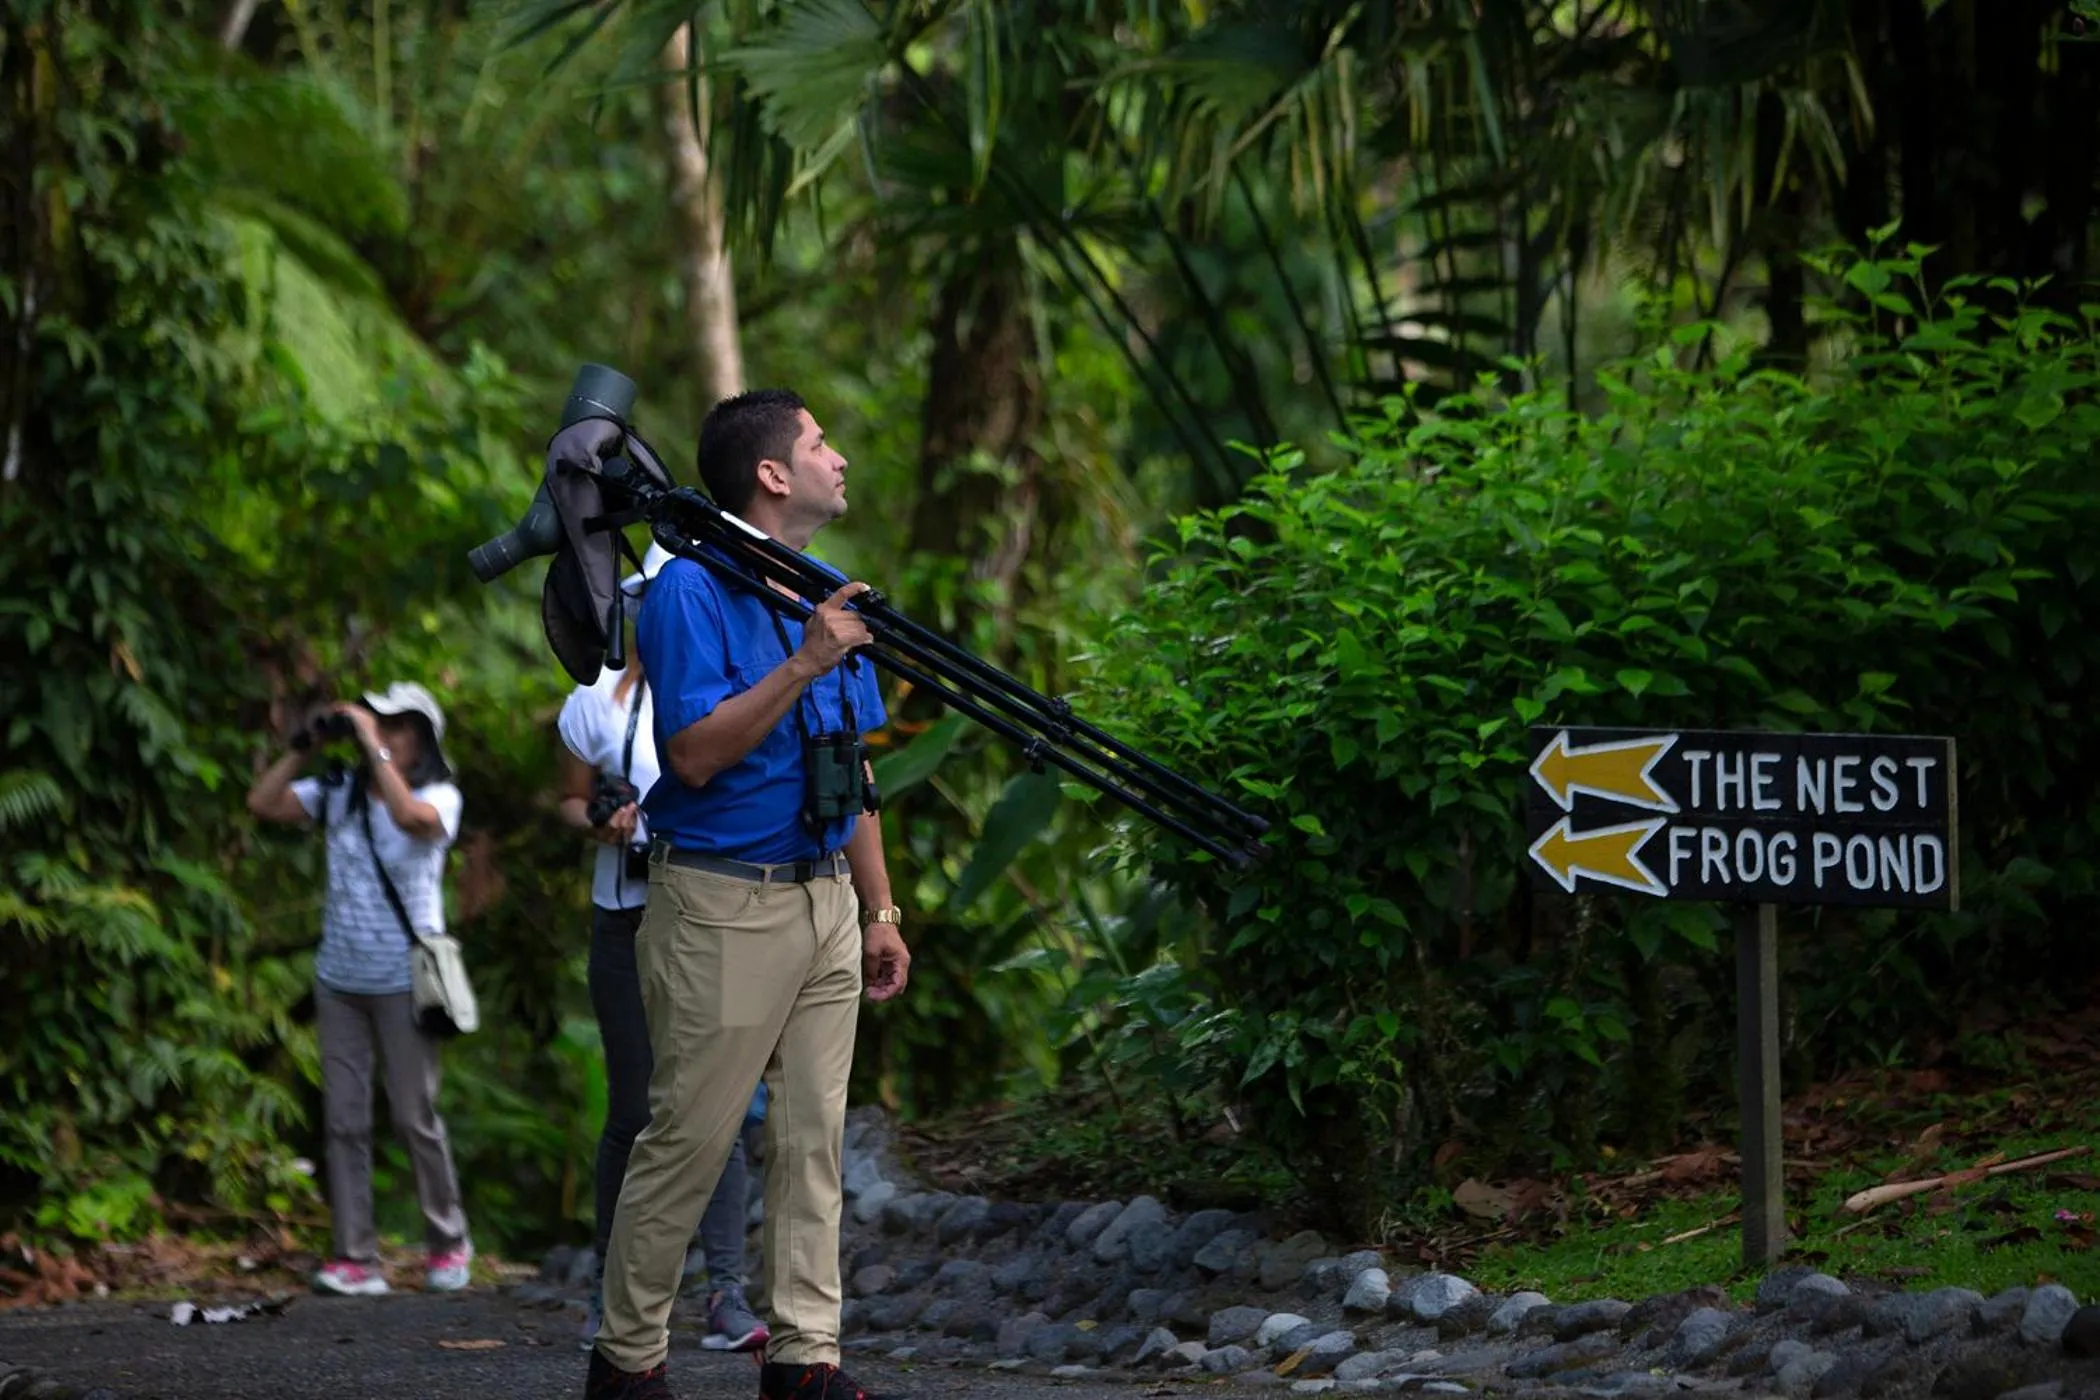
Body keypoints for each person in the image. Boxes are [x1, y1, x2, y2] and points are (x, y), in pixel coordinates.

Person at [585, 389, 911, 1400]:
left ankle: (805, 1356)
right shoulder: (688, 591)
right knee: (689, 1135)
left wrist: (881, 908)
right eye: (820, 443)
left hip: (824, 904)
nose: (839, 457)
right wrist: (808, 657)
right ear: (772, 474)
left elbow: (848, 767)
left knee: (816, 1137)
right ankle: (627, 1357)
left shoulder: (823, 586)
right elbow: (689, 752)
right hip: (723, 901)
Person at [557, 542, 767, 1355]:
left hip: (715, 914)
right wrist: (601, 819)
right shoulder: (596, 700)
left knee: (720, 1108)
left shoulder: (742, 685)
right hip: (628, 914)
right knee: (635, 1107)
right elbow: (569, 803)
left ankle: (725, 1294)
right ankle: (614, 1292)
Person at [244, 682, 474, 1297]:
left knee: (413, 1116)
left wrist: (369, 741)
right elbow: (262, 803)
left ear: (421, 740)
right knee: (343, 1120)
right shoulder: (339, 794)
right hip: (339, 980)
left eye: (399, 726)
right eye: (382, 723)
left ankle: (448, 1243)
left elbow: (408, 819)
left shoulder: (438, 797)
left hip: (405, 982)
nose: (386, 733)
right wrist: (304, 746)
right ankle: (355, 1257)